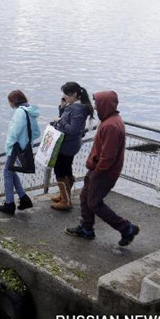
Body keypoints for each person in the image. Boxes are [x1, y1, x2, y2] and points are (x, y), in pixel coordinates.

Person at [66, 91, 140, 246]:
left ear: (105, 105)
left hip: (104, 172)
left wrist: (97, 171)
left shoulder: (111, 126)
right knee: (85, 197)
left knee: (94, 203)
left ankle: (126, 228)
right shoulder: (111, 120)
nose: (95, 107)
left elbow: (108, 157)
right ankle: (86, 229)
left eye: (97, 104)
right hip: (98, 168)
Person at [49, 82, 94, 211]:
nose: (64, 96)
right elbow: (69, 120)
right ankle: (65, 195)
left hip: (67, 145)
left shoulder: (77, 109)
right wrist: (63, 108)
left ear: (74, 94)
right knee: (67, 169)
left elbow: (72, 129)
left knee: (60, 172)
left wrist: (59, 120)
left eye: (66, 94)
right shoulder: (78, 107)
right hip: (72, 144)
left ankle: (66, 201)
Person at [0, 90, 41, 216]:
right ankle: (23, 198)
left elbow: (13, 133)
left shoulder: (19, 112)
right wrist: (26, 141)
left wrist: (9, 147)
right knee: (11, 171)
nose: (9, 104)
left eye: (9, 101)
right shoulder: (30, 111)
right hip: (25, 146)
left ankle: (9, 204)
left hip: (16, 148)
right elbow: (37, 132)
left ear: (13, 101)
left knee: (7, 172)